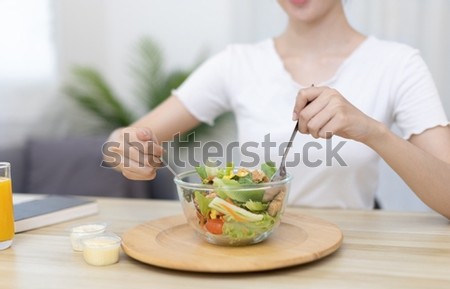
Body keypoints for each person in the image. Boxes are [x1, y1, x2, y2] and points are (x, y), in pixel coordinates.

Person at [104, 0, 450, 219]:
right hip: (259, 249)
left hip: (352, 252)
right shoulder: (237, 63)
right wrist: (127, 151)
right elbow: (123, 139)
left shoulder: (398, 64)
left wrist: (373, 132)